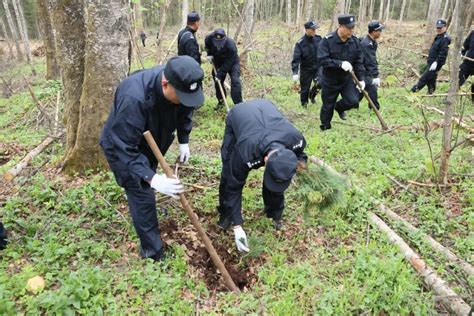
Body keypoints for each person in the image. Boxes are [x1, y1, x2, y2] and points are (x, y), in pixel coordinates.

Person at [100, 56, 204, 262]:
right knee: (141, 191)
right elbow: (124, 147)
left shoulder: (180, 82)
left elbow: (185, 112)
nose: (185, 101)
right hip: (122, 146)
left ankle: (149, 192)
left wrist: (184, 139)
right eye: (181, 97)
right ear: (165, 84)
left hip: (154, 139)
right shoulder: (134, 97)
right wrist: (152, 178)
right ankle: (152, 253)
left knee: (148, 179)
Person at [216, 99, 307, 252]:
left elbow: (301, 155)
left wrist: (299, 167)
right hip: (239, 114)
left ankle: (274, 213)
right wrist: (237, 225)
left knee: (278, 174)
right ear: (265, 160)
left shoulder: (296, 139)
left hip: (267, 108)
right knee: (228, 171)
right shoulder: (245, 152)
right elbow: (234, 186)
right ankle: (226, 215)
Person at [317, 14, 365, 131]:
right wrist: (339, 63)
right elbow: (322, 60)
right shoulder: (327, 41)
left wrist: (361, 79)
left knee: (353, 100)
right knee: (328, 105)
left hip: (346, 79)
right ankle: (325, 126)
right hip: (330, 80)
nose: (351, 31)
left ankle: (339, 107)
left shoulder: (355, 42)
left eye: (353, 28)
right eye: (349, 28)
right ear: (340, 26)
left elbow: (359, 61)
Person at [205, 28, 243, 109]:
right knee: (217, 82)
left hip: (232, 62)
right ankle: (221, 102)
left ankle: (239, 105)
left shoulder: (231, 45)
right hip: (218, 61)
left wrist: (220, 73)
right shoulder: (209, 38)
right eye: (217, 42)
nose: (218, 44)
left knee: (235, 80)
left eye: (220, 42)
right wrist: (209, 54)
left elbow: (228, 63)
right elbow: (207, 45)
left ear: (225, 38)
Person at [411, 19, 451, 94]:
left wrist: (436, 62)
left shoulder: (445, 39)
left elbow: (443, 53)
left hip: (437, 62)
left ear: (445, 27)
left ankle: (414, 90)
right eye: (437, 28)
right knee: (432, 77)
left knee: (425, 77)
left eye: (440, 28)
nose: (438, 29)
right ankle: (431, 91)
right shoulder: (439, 36)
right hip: (432, 61)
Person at [291, 20, 323, 107]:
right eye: (312, 29)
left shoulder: (319, 39)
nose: (314, 31)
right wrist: (295, 72)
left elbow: (325, 51)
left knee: (320, 83)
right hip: (306, 69)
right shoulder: (300, 43)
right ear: (307, 30)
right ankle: (304, 105)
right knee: (305, 89)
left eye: (315, 29)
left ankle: (312, 96)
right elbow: (296, 59)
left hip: (318, 67)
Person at [360, 20, 385, 110]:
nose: (381, 33)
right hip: (362, 70)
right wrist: (375, 76)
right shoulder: (366, 44)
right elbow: (370, 61)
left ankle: (350, 103)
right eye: (379, 31)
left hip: (365, 70)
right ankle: (375, 108)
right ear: (374, 32)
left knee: (361, 91)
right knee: (372, 88)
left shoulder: (373, 42)